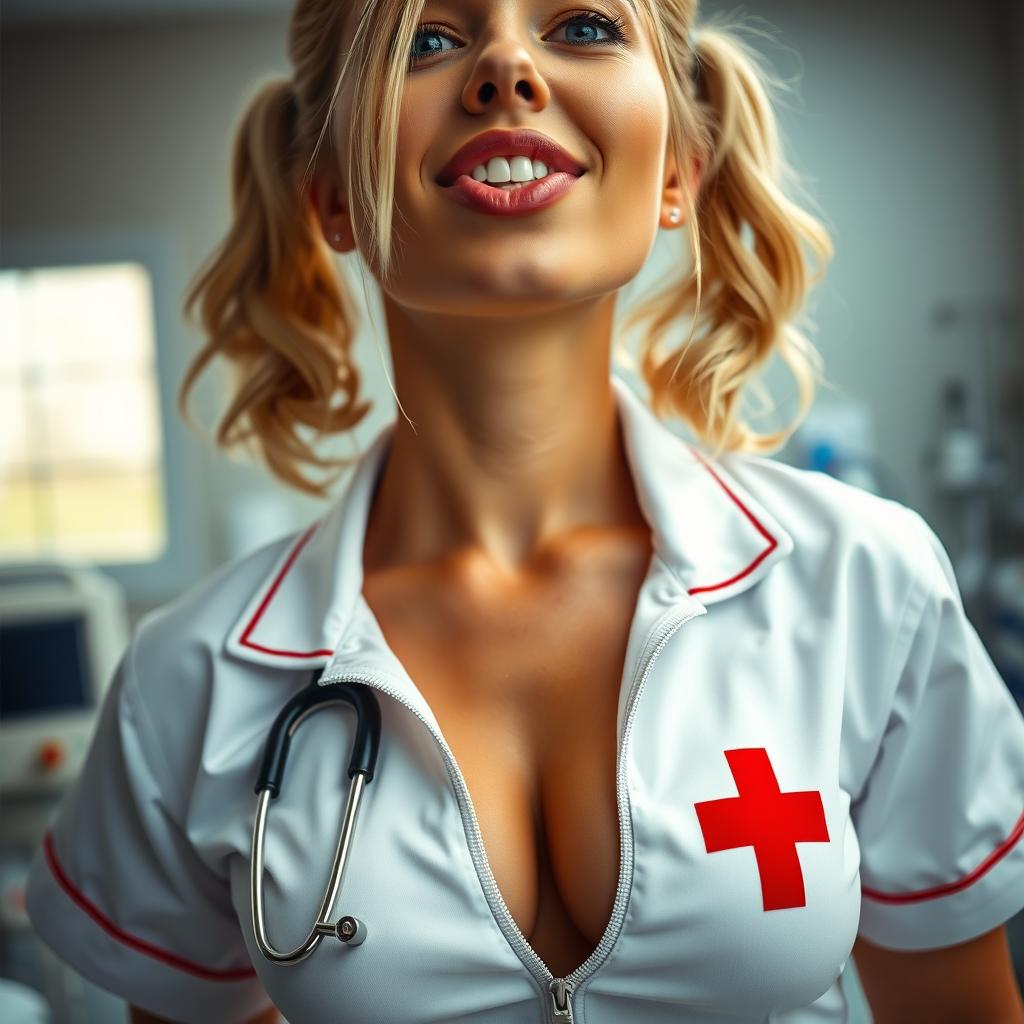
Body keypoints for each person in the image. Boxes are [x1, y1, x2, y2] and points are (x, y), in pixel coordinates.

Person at [25, 1, 1024, 1022]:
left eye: (583, 26)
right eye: (427, 38)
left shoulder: (867, 584)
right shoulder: (187, 678)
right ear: (328, 194)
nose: (506, 66)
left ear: (678, 167)